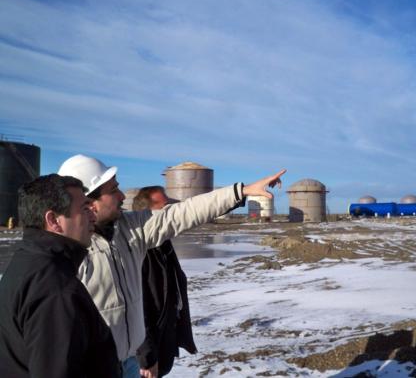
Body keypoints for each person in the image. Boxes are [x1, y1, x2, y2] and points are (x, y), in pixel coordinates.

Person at [57, 154, 285, 378]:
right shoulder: (66, 253)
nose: (121, 195)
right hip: (94, 368)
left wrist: (240, 191)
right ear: (89, 203)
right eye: (113, 190)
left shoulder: (130, 229)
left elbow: (184, 212)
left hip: (129, 363)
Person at [0, 174, 121, 378]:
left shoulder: (27, 260)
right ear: (54, 220)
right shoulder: (56, 290)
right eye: (84, 208)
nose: (93, 215)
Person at [132, 186, 194, 378]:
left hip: (165, 337)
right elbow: (137, 309)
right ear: (149, 213)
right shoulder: (139, 251)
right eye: (165, 205)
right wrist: (146, 357)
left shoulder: (164, 244)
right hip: (146, 352)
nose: (172, 210)